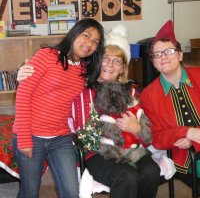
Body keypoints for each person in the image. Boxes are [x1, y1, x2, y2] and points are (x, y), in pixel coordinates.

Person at [17, 25, 160, 198]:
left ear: (123, 67)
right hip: (97, 152)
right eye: (105, 58)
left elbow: (147, 133)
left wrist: (136, 129)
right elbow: (51, 83)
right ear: (97, 60)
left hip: (131, 147)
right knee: (127, 177)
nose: (110, 64)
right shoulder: (82, 87)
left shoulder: (132, 92)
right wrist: (24, 73)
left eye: (117, 60)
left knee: (151, 172)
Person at [12, 18, 104, 198]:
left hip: (60, 137)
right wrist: (23, 138)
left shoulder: (85, 69)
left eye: (95, 42)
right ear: (74, 33)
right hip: (31, 135)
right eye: (86, 36)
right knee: (29, 193)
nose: (89, 44)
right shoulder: (47, 55)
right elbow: (23, 95)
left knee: (71, 192)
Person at [140, 20, 200, 177]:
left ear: (180, 55)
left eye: (169, 51)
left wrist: (193, 137)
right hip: (188, 157)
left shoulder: (199, 75)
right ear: (153, 63)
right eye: (157, 54)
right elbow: (157, 138)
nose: (163, 57)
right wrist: (187, 132)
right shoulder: (148, 95)